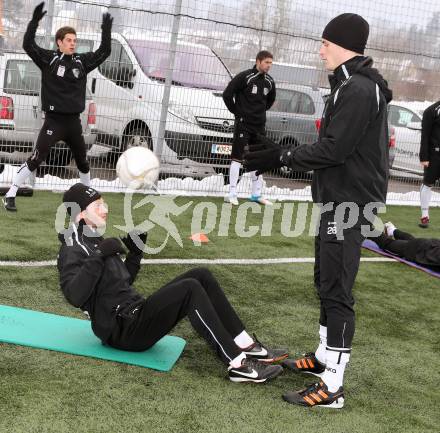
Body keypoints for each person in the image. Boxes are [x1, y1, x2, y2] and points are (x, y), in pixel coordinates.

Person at [244, 13, 392, 408]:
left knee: (338, 290)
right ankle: (324, 358)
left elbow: (335, 149)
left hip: (350, 201)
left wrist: (281, 156)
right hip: (336, 197)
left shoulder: (359, 89)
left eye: (325, 43)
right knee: (325, 281)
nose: (320, 49)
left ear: (344, 45)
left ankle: (334, 387)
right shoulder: (348, 85)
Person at [57, 183, 288, 383]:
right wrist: (98, 256)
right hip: (121, 330)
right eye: (97, 205)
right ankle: (238, 365)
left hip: (133, 314)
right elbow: (74, 296)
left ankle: (247, 346)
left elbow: (119, 285)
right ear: (80, 213)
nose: (105, 209)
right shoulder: (72, 247)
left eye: (104, 203)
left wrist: (135, 254)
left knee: (201, 275)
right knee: (190, 289)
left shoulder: (96, 238)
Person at [2, 2, 112, 212]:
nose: (73, 44)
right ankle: (10, 194)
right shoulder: (49, 59)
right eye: (69, 40)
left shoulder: (82, 62)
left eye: (74, 40)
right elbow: (28, 45)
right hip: (54, 121)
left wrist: (105, 30)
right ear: (59, 42)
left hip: (73, 123)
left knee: (82, 162)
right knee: (36, 158)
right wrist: (34, 22)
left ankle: (88, 201)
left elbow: (104, 51)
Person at [222, 50, 276, 206]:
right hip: (243, 124)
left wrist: (258, 114)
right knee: (237, 158)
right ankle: (232, 193)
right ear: (258, 61)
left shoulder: (270, 82)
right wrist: (237, 112)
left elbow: (270, 101)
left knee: (257, 159)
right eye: (266, 62)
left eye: (271, 63)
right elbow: (227, 94)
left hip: (259, 126)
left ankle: (256, 194)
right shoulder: (245, 77)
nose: (269, 66)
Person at [374, 222, 439, 271]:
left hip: (430, 244)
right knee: (388, 245)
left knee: (412, 241)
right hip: (419, 250)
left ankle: (392, 229)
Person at [418, 101, 440, 228]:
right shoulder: (432, 110)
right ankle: (424, 216)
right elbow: (425, 135)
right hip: (434, 155)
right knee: (428, 183)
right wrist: (424, 157)